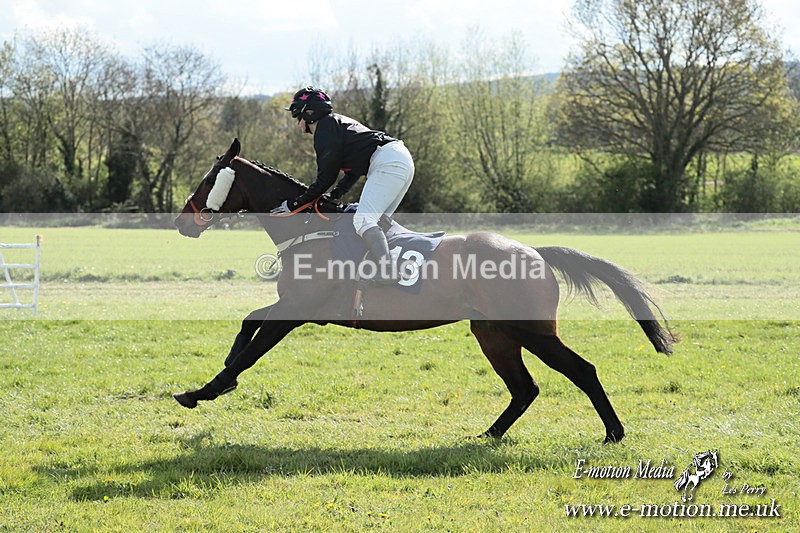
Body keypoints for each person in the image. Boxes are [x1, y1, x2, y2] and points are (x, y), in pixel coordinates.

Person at [273, 86, 415, 282]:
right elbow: (353, 171)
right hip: (397, 157)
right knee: (377, 222)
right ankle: (384, 269)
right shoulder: (335, 123)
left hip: (389, 161)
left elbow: (325, 179)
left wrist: (295, 205)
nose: (299, 124)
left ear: (309, 113)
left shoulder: (324, 129)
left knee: (364, 221)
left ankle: (388, 272)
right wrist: (335, 195)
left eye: (298, 117)